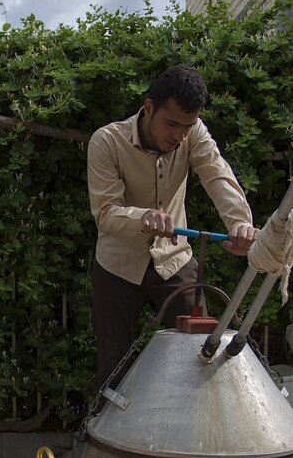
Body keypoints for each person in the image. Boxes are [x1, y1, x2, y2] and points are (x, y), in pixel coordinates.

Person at [87, 64, 259, 392]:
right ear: (148, 108)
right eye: (171, 124)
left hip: (174, 261)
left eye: (187, 126)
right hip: (117, 266)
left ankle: (195, 440)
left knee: (198, 357)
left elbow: (216, 173)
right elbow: (106, 214)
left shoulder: (192, 134)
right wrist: (143, 217)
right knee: (112, 366)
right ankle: (103, 438)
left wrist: (239, 223)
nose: (179, 136)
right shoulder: (106, 142)